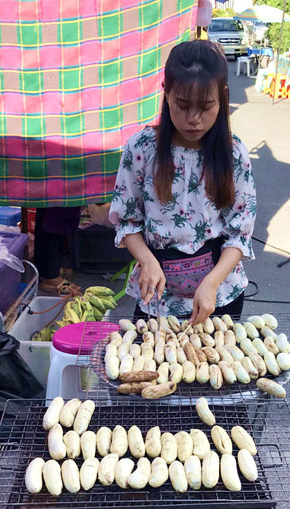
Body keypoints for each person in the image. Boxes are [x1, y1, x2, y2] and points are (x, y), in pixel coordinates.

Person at [108, 40, 256, 325]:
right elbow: (126, 221)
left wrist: (211, 283)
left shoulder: (234, 152)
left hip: (220, 293)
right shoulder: (141, 149)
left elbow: (240, 233)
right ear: (167, 93)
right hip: (156, 297)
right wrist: (147, 260)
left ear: (223, 97)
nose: (194, 119)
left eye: (206, 106)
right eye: (183, 105)